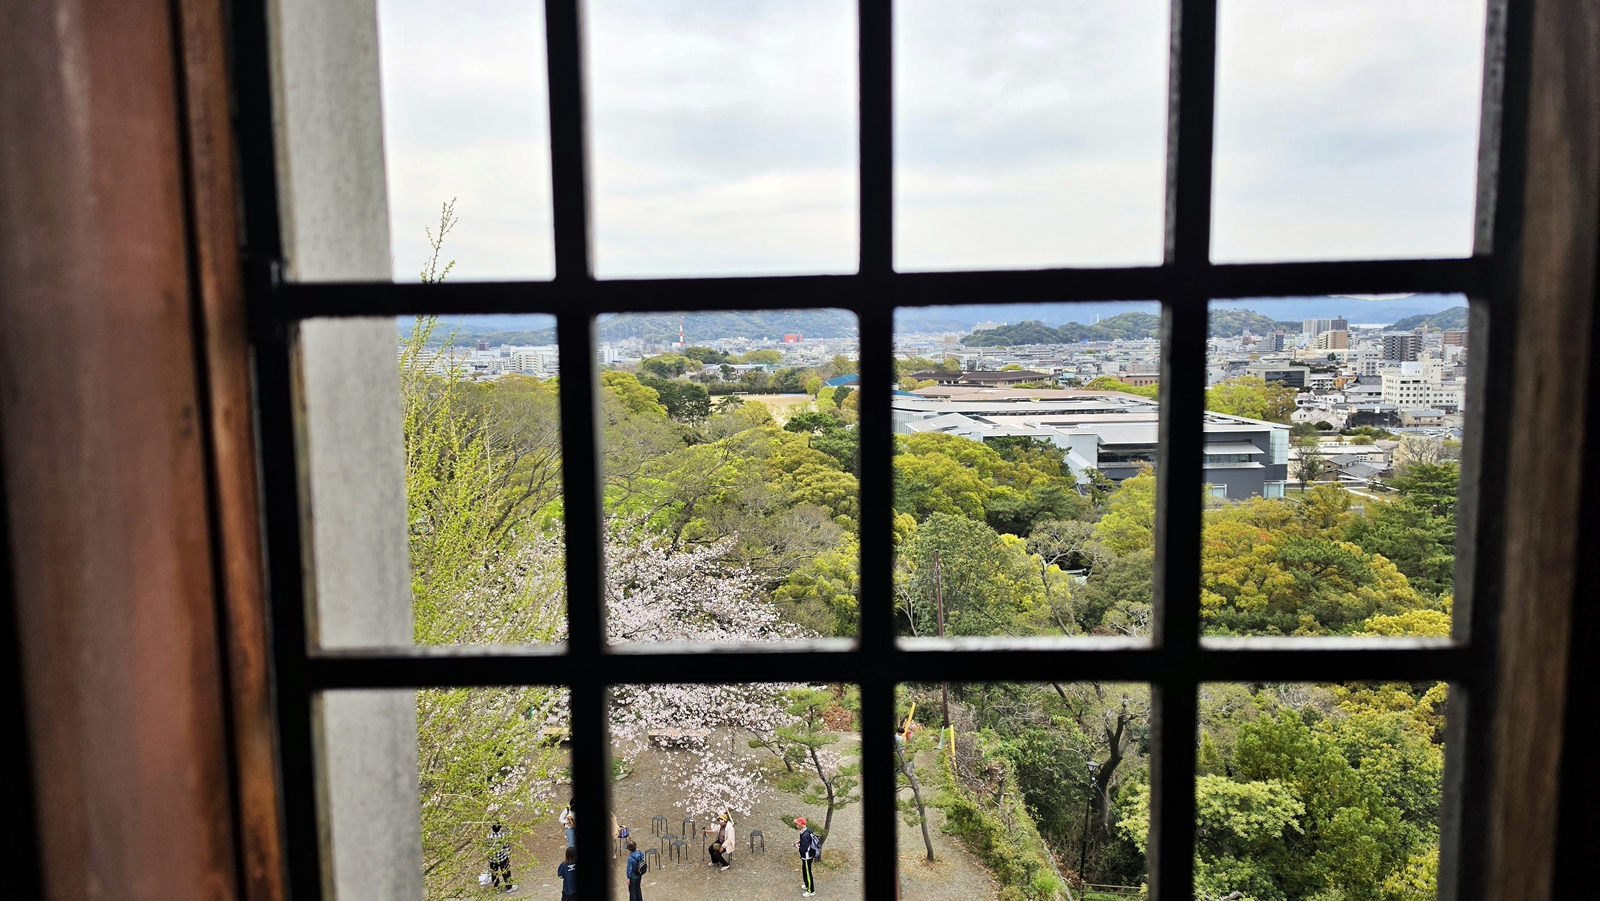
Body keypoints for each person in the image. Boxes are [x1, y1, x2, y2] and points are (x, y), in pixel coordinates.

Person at [795, 817, 820, 897]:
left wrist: (797, 847)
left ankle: (811, 890)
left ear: (801, 825)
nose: (796, 825)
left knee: (808, 873)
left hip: (807, 857)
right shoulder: (807, 830)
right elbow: (806, 841)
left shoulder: (805, 835)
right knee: (805, 871)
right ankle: (807, 884)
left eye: (797, 824)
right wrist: (800, 841)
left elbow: (804, 849)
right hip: (807, 856)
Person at [487, 823, 516, 894]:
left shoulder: (489, 837)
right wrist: (506, 825)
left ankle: (497, 888)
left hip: (492, 859)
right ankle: (509, 887)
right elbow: (511, 832)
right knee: (506, 873)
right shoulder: (503, 835)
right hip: (503, 858)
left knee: (494, 874)